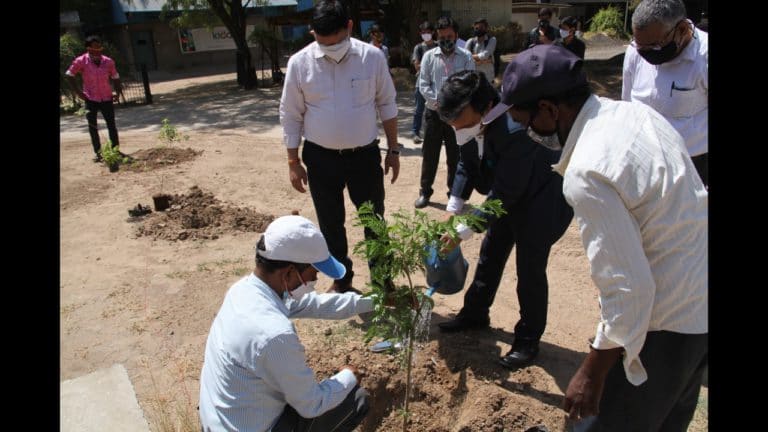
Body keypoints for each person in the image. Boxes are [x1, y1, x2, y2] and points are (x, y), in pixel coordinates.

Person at [498, 44, 707, 431]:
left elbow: (629, 289)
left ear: (548, 109)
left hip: (663, 323)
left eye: (523, 121)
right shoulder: (636, 114)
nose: (525, 133)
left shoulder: (588, 170)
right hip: (699, 303)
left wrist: (592, 370)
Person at [435, 70, 574, 369]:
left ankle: (527, 339)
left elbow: (505, 194)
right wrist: (453, 207)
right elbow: (466, 163)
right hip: (507, 194)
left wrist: (462, 231)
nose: (458, 129)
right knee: (491, 254)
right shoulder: (468, 123)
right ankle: (475, 314)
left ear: (486, 107)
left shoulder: (515, 128)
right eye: (453, 124)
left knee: (530, 269)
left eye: (462, 123)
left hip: (540, 199)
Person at [198, 215, 374, 432]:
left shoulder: (244, 292)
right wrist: (348, 375)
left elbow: (315, 304)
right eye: (313, 274)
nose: (315, 281)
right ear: (289, 272)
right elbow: (312, 404)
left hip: (221, 421)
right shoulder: (274, 334)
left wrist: (376, 302)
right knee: (355, 399)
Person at [279, 0, 400, 293]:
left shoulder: (372, 58)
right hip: (321, 159)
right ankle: (342, 280)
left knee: (374, 220)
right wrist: (293, 161)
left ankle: (383, 281)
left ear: (349, 27)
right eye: (324, 43)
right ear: (313, 33)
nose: (331, 48)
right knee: (330, 223)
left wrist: (394, 150)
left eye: (336, 41)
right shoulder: (299, 63)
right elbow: (290, 114)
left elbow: (387, 104)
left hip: (364, 157)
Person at [622, 0, 708, 186]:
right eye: (640, 45)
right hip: (645, 160)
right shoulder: (635, 51)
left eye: (654, 46)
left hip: (692, 167)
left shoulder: (704, 56)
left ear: (682, 29)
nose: (645, 53)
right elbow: (627, 106)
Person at [414, 16, 475, 209]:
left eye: (449, 36)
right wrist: (438, 103)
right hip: (434, 114)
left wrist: (455, 106)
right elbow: (423, 84)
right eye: (442, 37)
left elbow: (471, 84)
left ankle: (453, 194)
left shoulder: (466, 57)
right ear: (436, 36)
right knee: (429, 155)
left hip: (457, 116)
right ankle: (425, 192)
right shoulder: (429, 56)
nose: (446, 40)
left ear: (456, 35)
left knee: (455, 157)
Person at [65, 35, 124, 163]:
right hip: (90, 98)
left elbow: (115, 77)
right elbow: (69, 75)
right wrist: (78, 92)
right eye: (95, 47)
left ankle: (115, 150)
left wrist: (117, 92)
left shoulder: (108, 61)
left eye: (99, 47)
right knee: (93, 126)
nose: (98, 50)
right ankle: (98, 153)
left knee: (111, 125)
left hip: (106, 97)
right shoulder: (81, 61)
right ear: (88, 48)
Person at [411, 21, 437, 144]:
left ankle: (435, 133)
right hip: (421, 84)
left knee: (436, 109)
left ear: (433, 32)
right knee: (419, 109)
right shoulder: (419, 48)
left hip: (436, 84)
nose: (425, 34)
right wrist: (432, 65)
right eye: (423, 32)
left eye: (428, 32)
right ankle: (415, 133)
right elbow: (417, 66)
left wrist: (425, 65)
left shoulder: (439, 46)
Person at [466, 18, 497, 85]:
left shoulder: (492, 40)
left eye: (481, 27)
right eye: (476, 28)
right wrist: (484, 61)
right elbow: (465, 57)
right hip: (475, 79)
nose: (478, 30)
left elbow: (485, 55)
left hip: (488, 79)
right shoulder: (470, 42)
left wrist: (473, 58)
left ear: (486, 28)